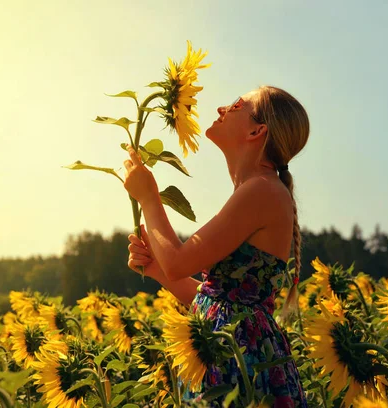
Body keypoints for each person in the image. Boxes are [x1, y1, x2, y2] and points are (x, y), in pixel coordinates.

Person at [123, 85, 309, 406]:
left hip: (240, 365)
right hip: (233, 354)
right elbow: (216, 300)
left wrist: (149, 198)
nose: (222, 108)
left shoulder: (263, 190)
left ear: (257, 130)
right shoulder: (258, 190)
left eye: (237, 104)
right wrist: (156, 269)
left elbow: (179, 261)